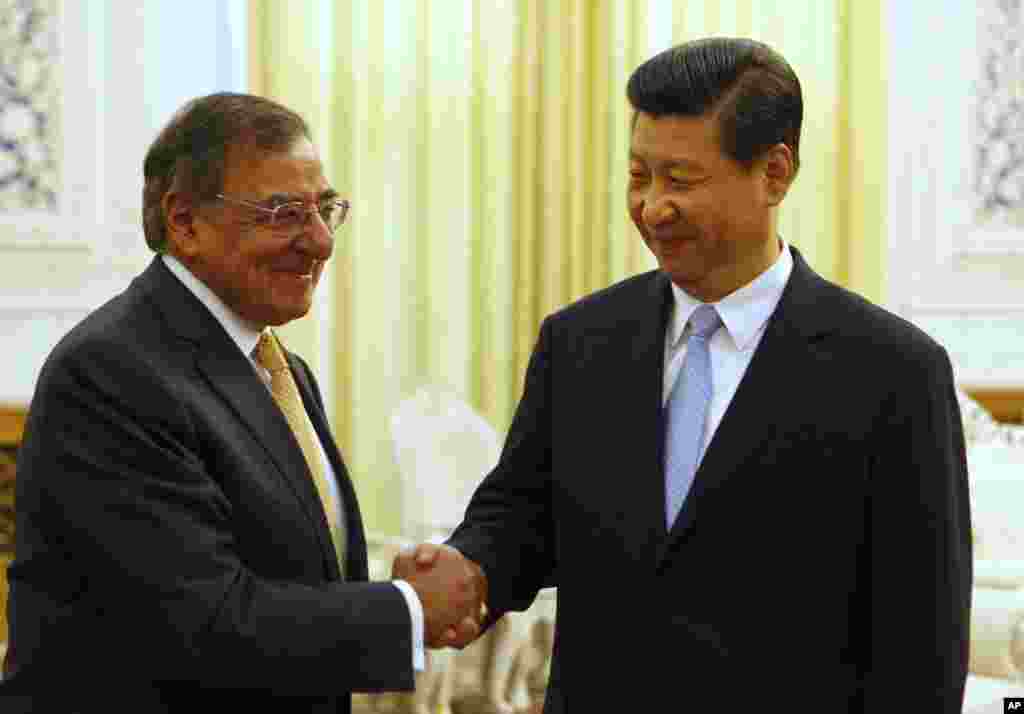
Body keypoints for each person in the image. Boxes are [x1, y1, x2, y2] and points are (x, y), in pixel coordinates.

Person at [396, 37, 971, 712]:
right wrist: (468, 570)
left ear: (775, 173)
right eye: (639, 176)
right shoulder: (580, 343)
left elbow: (922, 643)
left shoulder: (893, 372)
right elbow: (521, 516)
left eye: (681, 180)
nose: (652, 208)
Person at [2, 93, 485, 713]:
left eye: (325, 209)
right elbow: (207, 624)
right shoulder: (111, 371)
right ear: (185, 222)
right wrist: (407, 609)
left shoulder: (281, 369)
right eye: (284, 212)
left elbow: (297, 575)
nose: (319, 242)